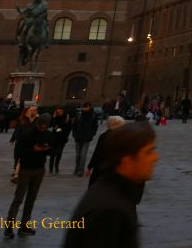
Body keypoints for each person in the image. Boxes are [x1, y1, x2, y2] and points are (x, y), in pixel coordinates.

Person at [62, 120, 158, 248]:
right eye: (148, 152)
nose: (155, 157)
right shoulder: (110, 212)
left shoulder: (113, 191)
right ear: (127, 160)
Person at [4, 111, 51, 238]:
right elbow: (19, 152)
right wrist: (33, 149)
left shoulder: (48, 134)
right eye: (41, 124)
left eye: (45, 125)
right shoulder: (28, 134)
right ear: (38, 123)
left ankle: (24, 226)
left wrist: (46, 149)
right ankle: (9, 227)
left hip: (39, 169)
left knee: (31, 199)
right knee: (18, 198)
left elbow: (53, 150)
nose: (42, 127)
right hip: (26, 169)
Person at [86, 115, 127, 183]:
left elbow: (97, 152)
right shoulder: (125, 136)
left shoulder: (105, 136)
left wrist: (90, 166)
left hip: (102, 167)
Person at [70, 103, 98, 176]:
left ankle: (80, 170)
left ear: (89, 107)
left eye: (86, 107)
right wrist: (74, 134)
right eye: (84, 107)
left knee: (83, 155)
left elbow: (95, 126)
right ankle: (76, 168)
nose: (85, 108)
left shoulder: (93, 115)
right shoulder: (79, 115)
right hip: (78, 138)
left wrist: (92, 133)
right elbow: (74, 126)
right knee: (78, 155)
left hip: (87, 138)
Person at [48, 106, 72, 173]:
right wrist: (54, 118)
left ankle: (56, 166)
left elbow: (67, 128)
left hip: (62, 139)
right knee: (52, 154)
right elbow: (52, 126)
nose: (59, 113)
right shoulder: (55, 118)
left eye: (60, 111)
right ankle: (50, 168)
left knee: (59, 153)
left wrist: (59, 129)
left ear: (63, 111)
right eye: (58, 111)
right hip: (54, 138)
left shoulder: (66, 118)